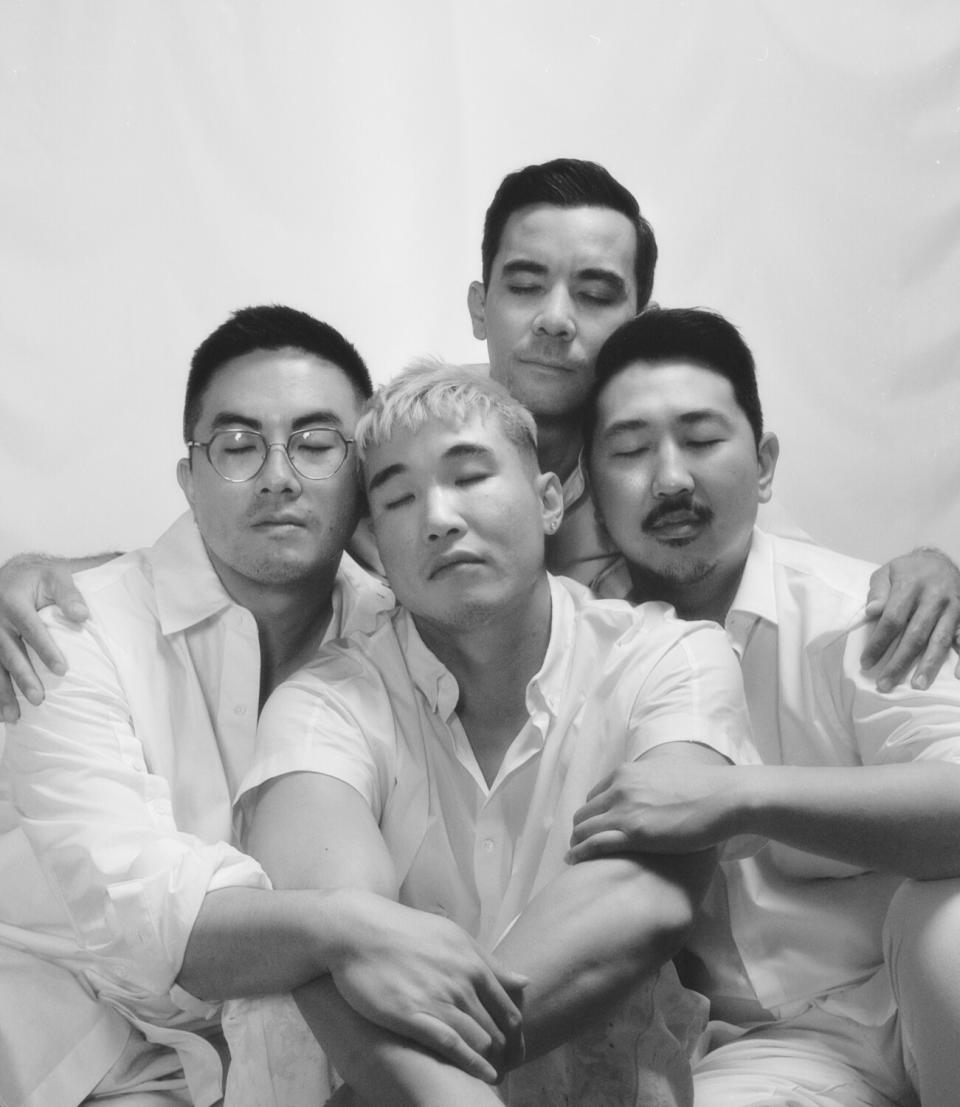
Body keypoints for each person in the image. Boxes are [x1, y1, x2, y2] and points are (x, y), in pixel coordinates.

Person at [1, 160, 958, 712]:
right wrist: (55, 576)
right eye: (526, 282)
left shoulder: (656, 457)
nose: (553, 318)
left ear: (639, 313)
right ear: (479, 303)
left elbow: (747, 567)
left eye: (594, 292)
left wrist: (926, 566)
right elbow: (253, 531)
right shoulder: (411, 440)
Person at [0, 307, 526, 1107]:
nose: (279, 474)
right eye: (240, 445)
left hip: (313, 1047)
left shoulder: (402, 627)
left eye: (316, 443)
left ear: (364, 469)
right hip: (80, 1038)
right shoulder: (71, 632)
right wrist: (351, 927)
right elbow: (143, 912)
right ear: (190, 476)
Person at [221, 362, 758, 1106]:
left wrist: (431, 1086)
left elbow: (649, 899)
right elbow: (335, 936)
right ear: (375, 547)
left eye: (469, 475)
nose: (438, 516)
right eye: (400, 497)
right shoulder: (323, 700)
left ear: (546, 501)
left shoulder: (669, 659)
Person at [573, 305, 960, 1107]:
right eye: (632, 450)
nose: (671, 478)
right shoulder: (578, 647)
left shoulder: (861, 608)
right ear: (588, 485)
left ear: (765, 462)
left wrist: (738, 796)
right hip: (772, 1049)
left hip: (924, 988)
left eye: (703, 439)